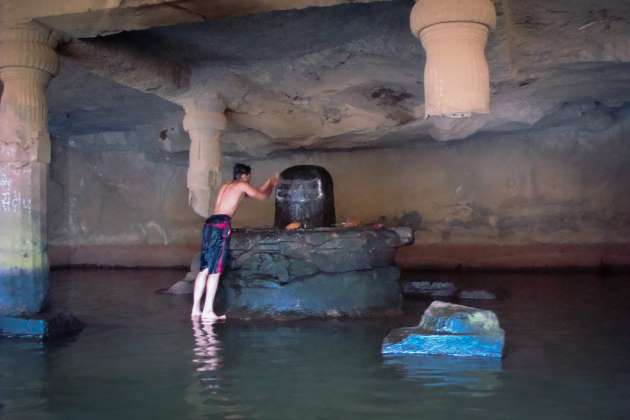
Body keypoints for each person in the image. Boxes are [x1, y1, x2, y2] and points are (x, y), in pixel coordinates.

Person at [191, 163, 278, 320]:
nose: (249, 181)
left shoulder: (227, 185)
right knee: (215, 270)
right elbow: (262, 196)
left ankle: (196, 310)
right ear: (245, 176)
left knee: (204, 269)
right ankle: (208, 311)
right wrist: (271, 183)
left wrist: (267, 183)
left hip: (210, 223)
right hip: (221, 224)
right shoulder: (242, 185)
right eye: (249, 177)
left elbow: (250, 193)